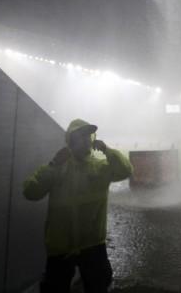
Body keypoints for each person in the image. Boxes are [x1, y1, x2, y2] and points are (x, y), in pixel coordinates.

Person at [23, 119, 133, 293]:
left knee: (98, 287)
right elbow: (31, 192)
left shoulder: (100, 167)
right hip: (60, 247)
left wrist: (107, 150)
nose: (86, 140)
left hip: (93, 245)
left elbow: (126, 170)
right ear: (70, 140)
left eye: (88, 135)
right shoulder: (57, 168)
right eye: (80, 136)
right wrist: (52, 165)